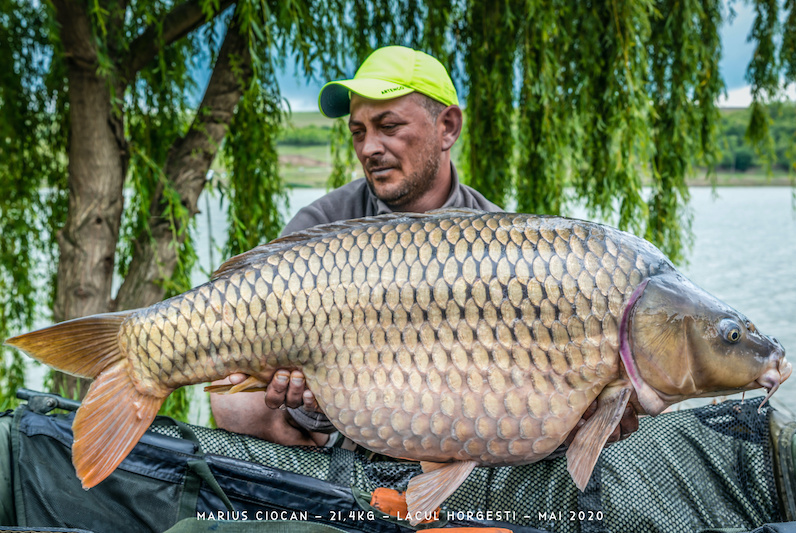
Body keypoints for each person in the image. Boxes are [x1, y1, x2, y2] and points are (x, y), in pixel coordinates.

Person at [210, 45, 638, 451]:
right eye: (358, 132)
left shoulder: (502, 241)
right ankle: (331, 499)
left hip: (455, 418)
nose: (369, 148)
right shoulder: (323, 224)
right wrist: (310, 402)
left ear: (447, 127)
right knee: (234, 402)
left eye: (389, 126)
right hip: (342, 427)